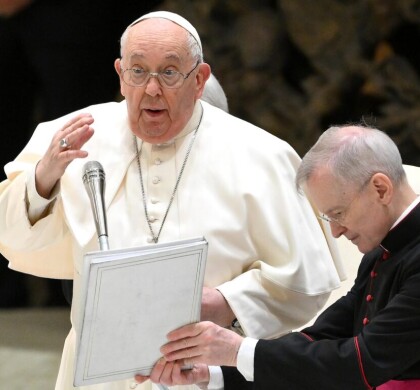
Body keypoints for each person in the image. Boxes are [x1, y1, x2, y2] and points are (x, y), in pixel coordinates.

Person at [0, 11, 344, 390]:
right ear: (120, 74)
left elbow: (305, 281)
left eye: (168, 73)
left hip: (207, 373)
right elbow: (13, 237)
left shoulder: (262, 155)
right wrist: (43, 179)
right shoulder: (77, 136)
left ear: (199, 80)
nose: (151, 89)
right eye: (138, 71)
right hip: (102, 376)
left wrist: (227, 301)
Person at [149, 125, 420, 389]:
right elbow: (320, 336)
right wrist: (214, 373)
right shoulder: (381, 250)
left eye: (338, 213)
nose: (336, 231)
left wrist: (237, 351)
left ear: (380, 189)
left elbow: (360, 361)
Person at [0, 0, 163, 307]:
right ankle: (10, 285)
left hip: (71, 20)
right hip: (12, 30)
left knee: (79, 145)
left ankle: (70, 286)